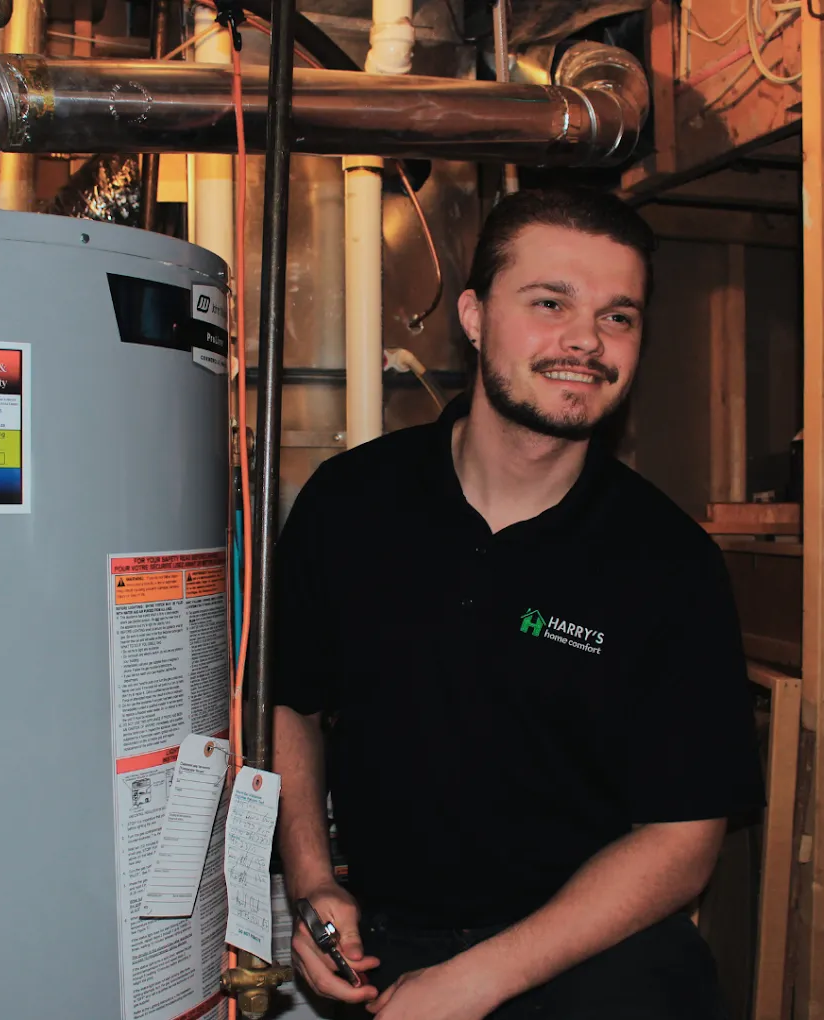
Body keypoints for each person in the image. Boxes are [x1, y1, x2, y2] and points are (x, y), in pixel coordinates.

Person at [270, 187, 764, 1020]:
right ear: (473, 316)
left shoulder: (670, 562)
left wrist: (478, 979)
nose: (586, 340)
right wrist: (313, 883)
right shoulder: (351, 502)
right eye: (550, 303)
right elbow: (292, 701)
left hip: (597, 956)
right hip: (390, 948)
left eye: (618, 316)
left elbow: (684, 841)